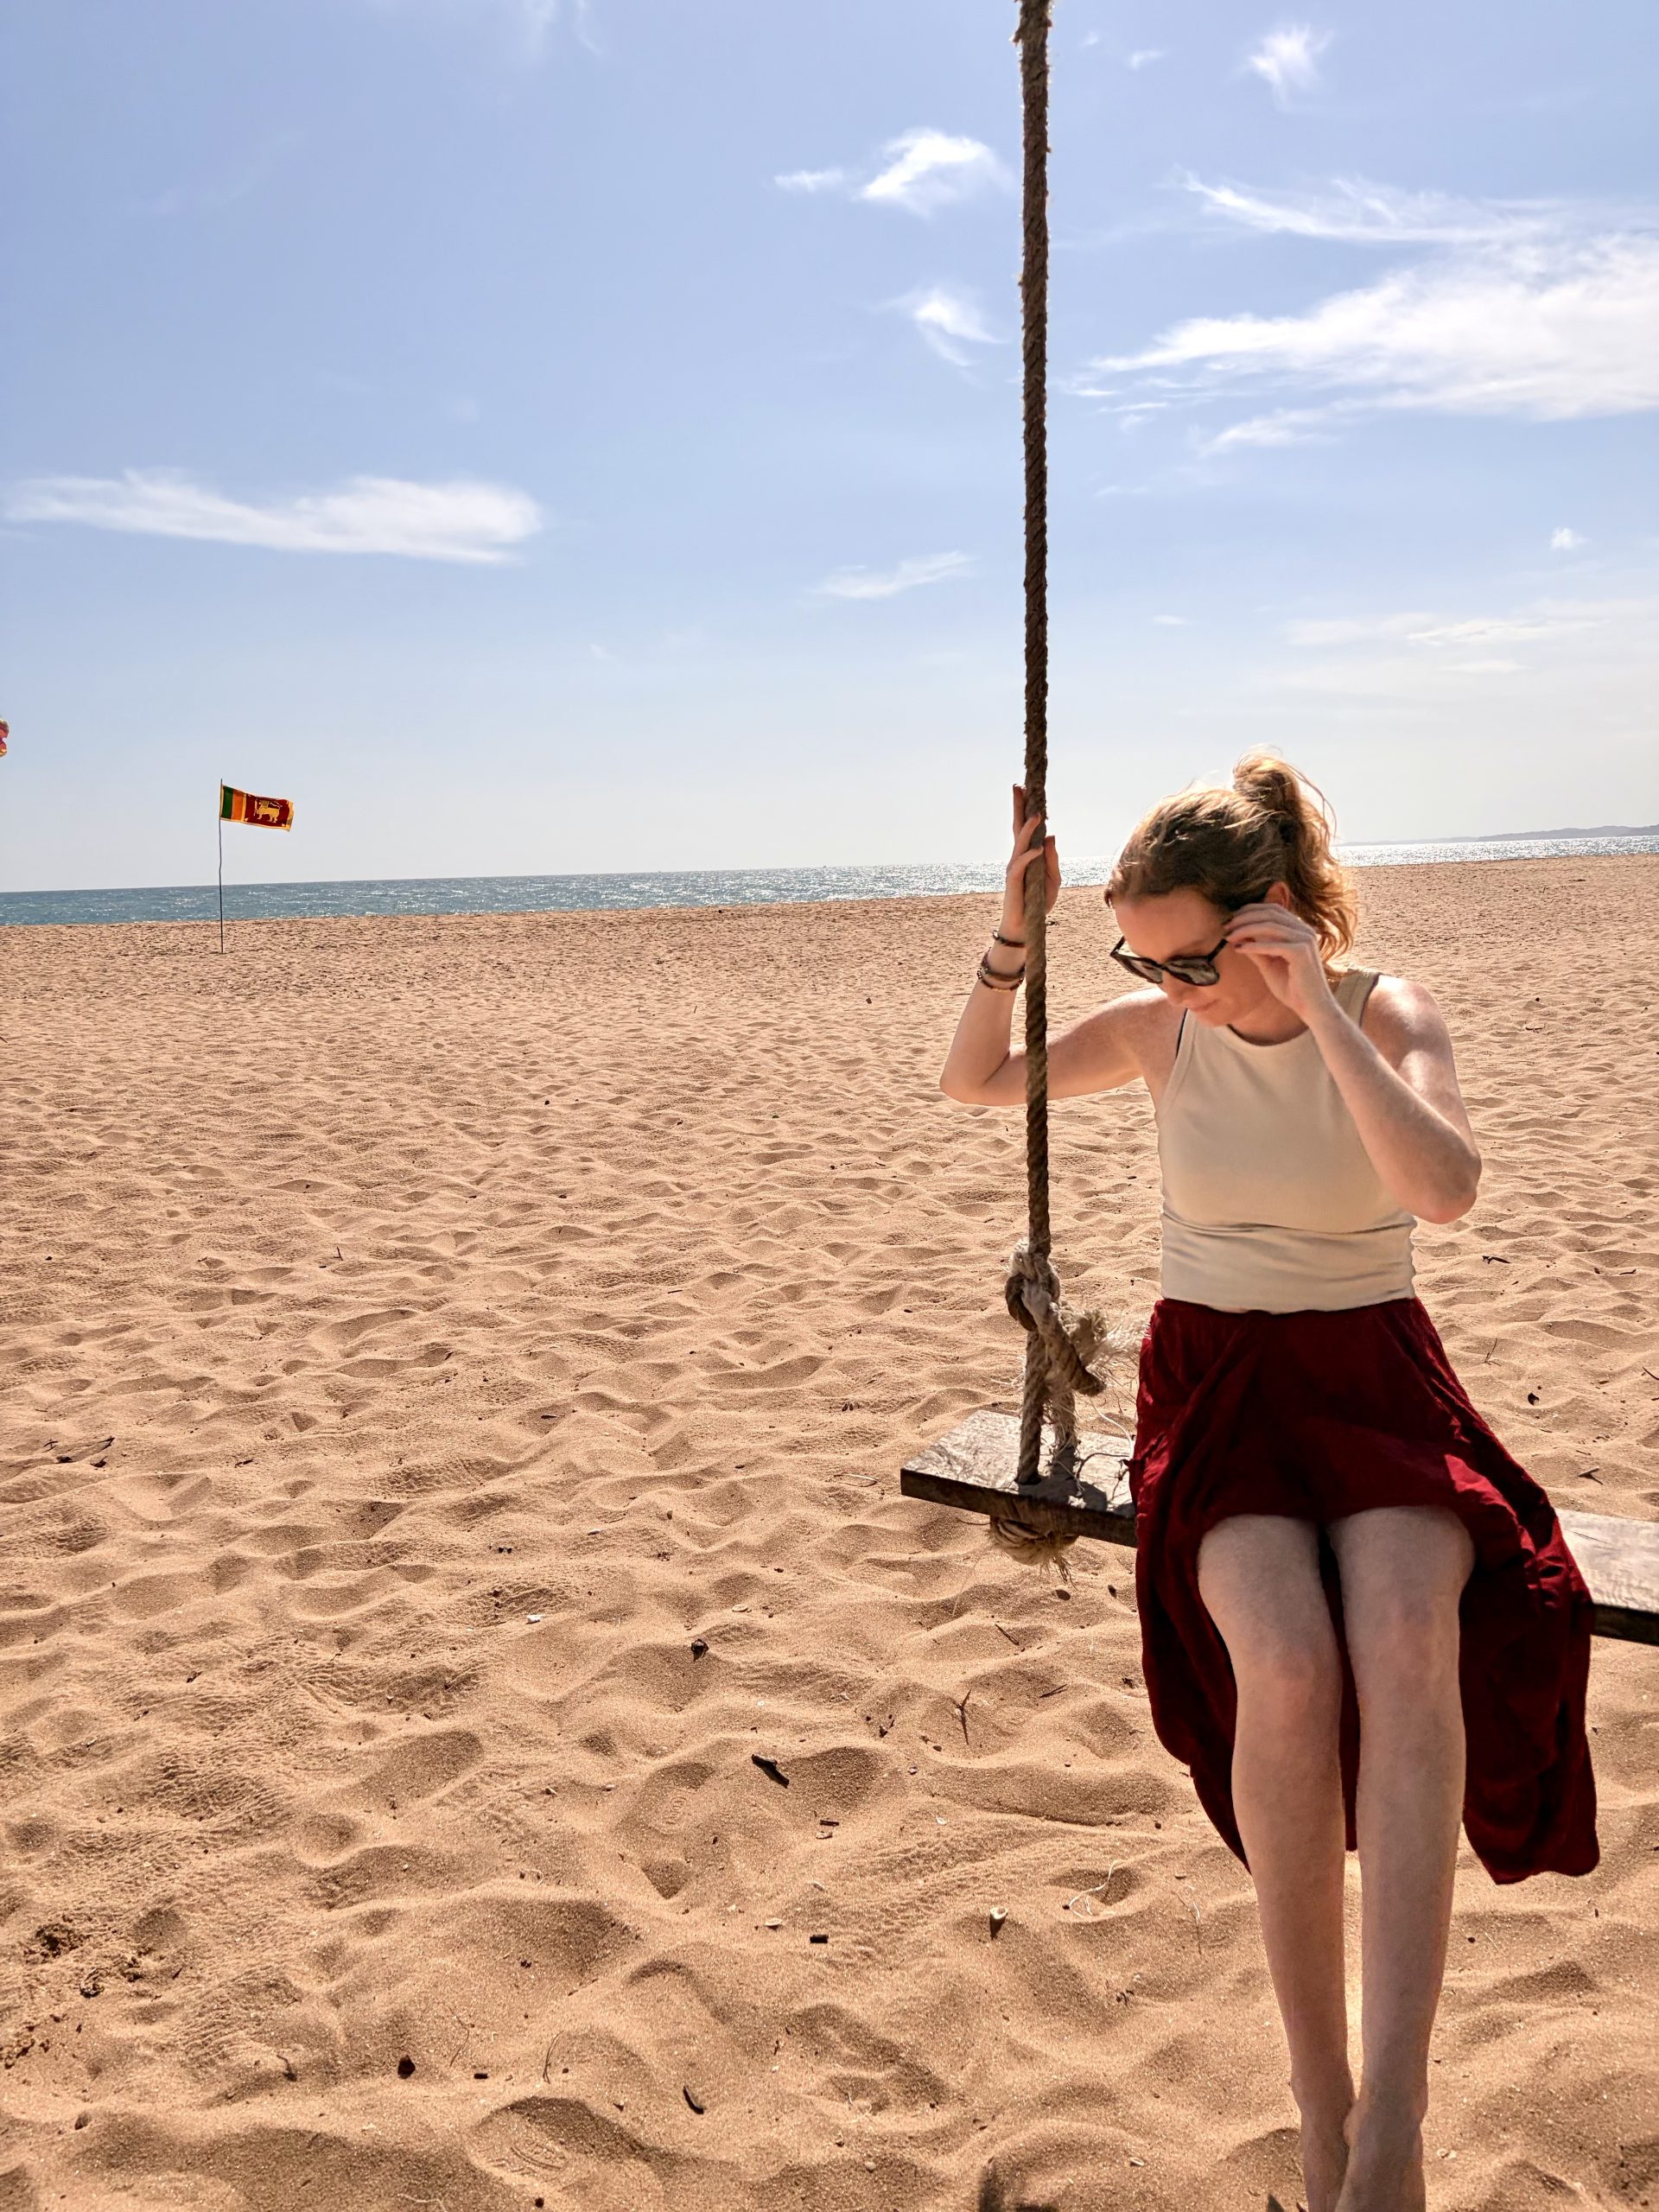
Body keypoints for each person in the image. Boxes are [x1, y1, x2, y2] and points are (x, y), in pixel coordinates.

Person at [938, 753, 1598, 2212]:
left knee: (1408, 1633)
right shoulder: (1162, 1039)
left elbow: (1444, 1189)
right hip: (1221, 1389)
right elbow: (973, 1079)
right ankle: (1321, 2105)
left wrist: (1316, 1014)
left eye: (1188, 957)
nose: (1167, 985)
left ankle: (1396, 2124)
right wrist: (1013, 930)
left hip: (1373, 1377)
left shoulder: (1387, 1010)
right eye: (1143, 958)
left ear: (1274, 917)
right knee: (1288, 1664)